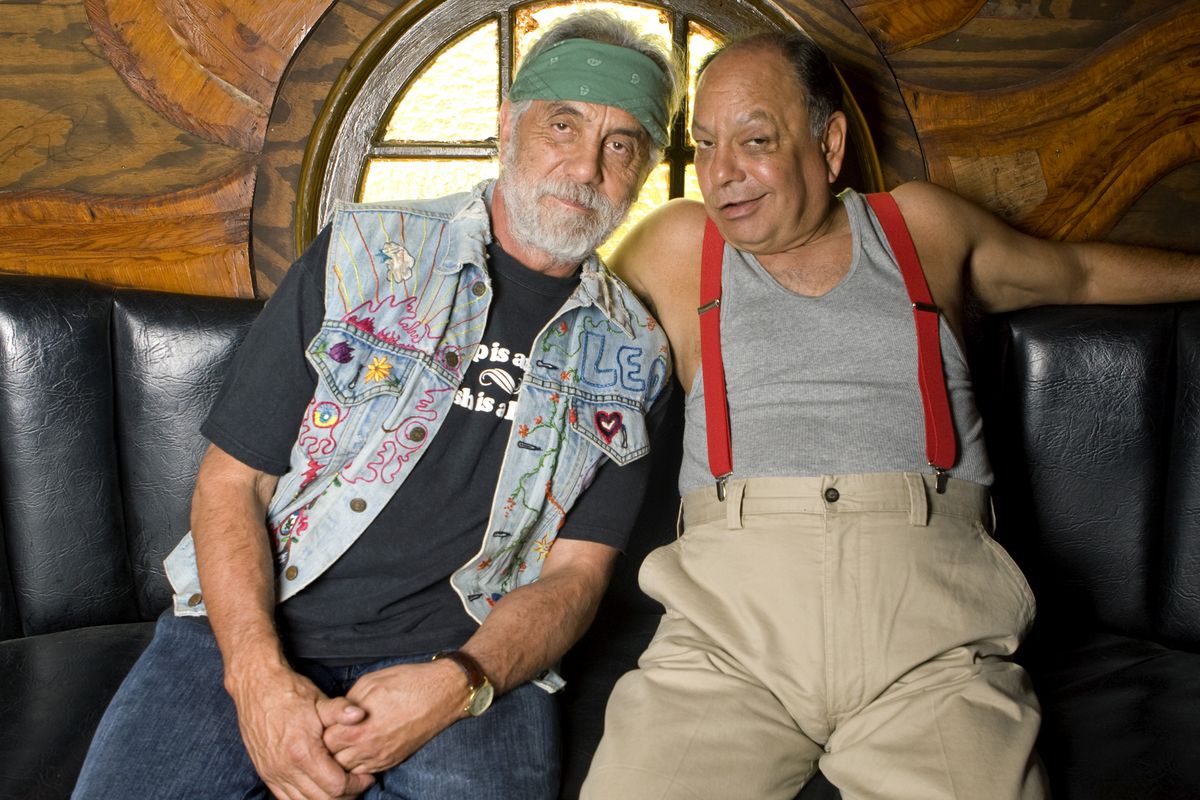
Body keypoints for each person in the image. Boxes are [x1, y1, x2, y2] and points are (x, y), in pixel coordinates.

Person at [72, 11, 683, 800]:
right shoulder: (363, 252)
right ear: (508, 127)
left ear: (640, 172)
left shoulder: (637, 357)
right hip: (263, 621)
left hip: (467, 661)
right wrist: (257, 683)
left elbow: (575, 577)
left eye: (621, 144)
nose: (586, 166)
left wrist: (462, 681)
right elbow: (232, 484)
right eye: (563, 125)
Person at [581, 30, 1200, 800]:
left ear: (829, 142)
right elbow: (553, 326)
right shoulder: (678, 243)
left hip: (931, 635)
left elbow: (1078, 270)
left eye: (756, 140)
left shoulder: (920, 228)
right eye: (704, 144)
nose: (722, 173)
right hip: (724, 640)